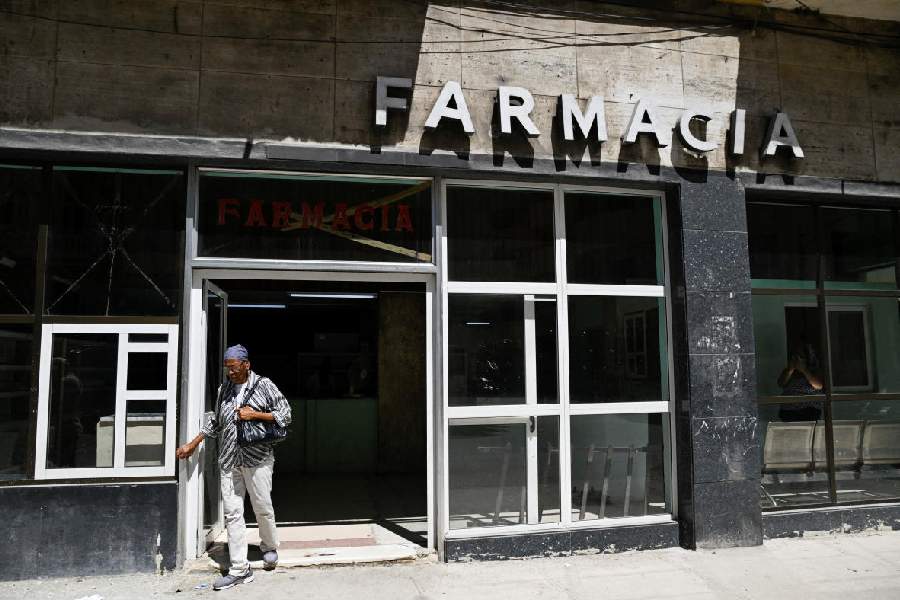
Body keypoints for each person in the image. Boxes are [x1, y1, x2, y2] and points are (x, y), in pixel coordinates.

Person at [176, 344, 291, 591]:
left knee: (262, 506)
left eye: (234, 368)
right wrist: (193, 444)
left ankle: (269, 546)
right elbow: (216, 422)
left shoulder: (264, 385)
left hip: (258, 459)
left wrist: (256, 415)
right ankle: (240, 568)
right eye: (227, 369)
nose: (230, 373)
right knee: (232, 514)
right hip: (229, 460)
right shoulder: (224, 389)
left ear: (246, 365)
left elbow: (285, 414)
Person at [776, 341, 824, 422]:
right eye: (795, 356)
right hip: (788, 410)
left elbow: (819, 385)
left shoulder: (814, 370)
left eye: (801, 356)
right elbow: (781, 383)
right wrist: (790, 369)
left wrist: (804, 370)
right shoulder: (788, 371)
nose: (797, 359)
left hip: (808, 409)